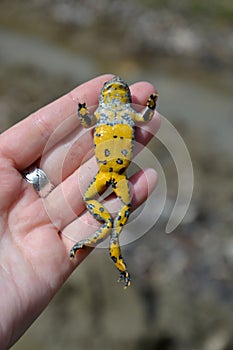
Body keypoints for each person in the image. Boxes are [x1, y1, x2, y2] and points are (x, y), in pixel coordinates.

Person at [0, 74, 160, 349]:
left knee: (117, 215)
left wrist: (150, 106)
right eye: (113, 89)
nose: (116, 91)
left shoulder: (124, 112)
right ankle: (104, 228)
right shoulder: (115, 112)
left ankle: (110, 238)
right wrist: (84, 112)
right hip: (107, 170)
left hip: (116, 172)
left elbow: (145, 119)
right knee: (90, 201)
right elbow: (89, 122)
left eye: (116, 89)